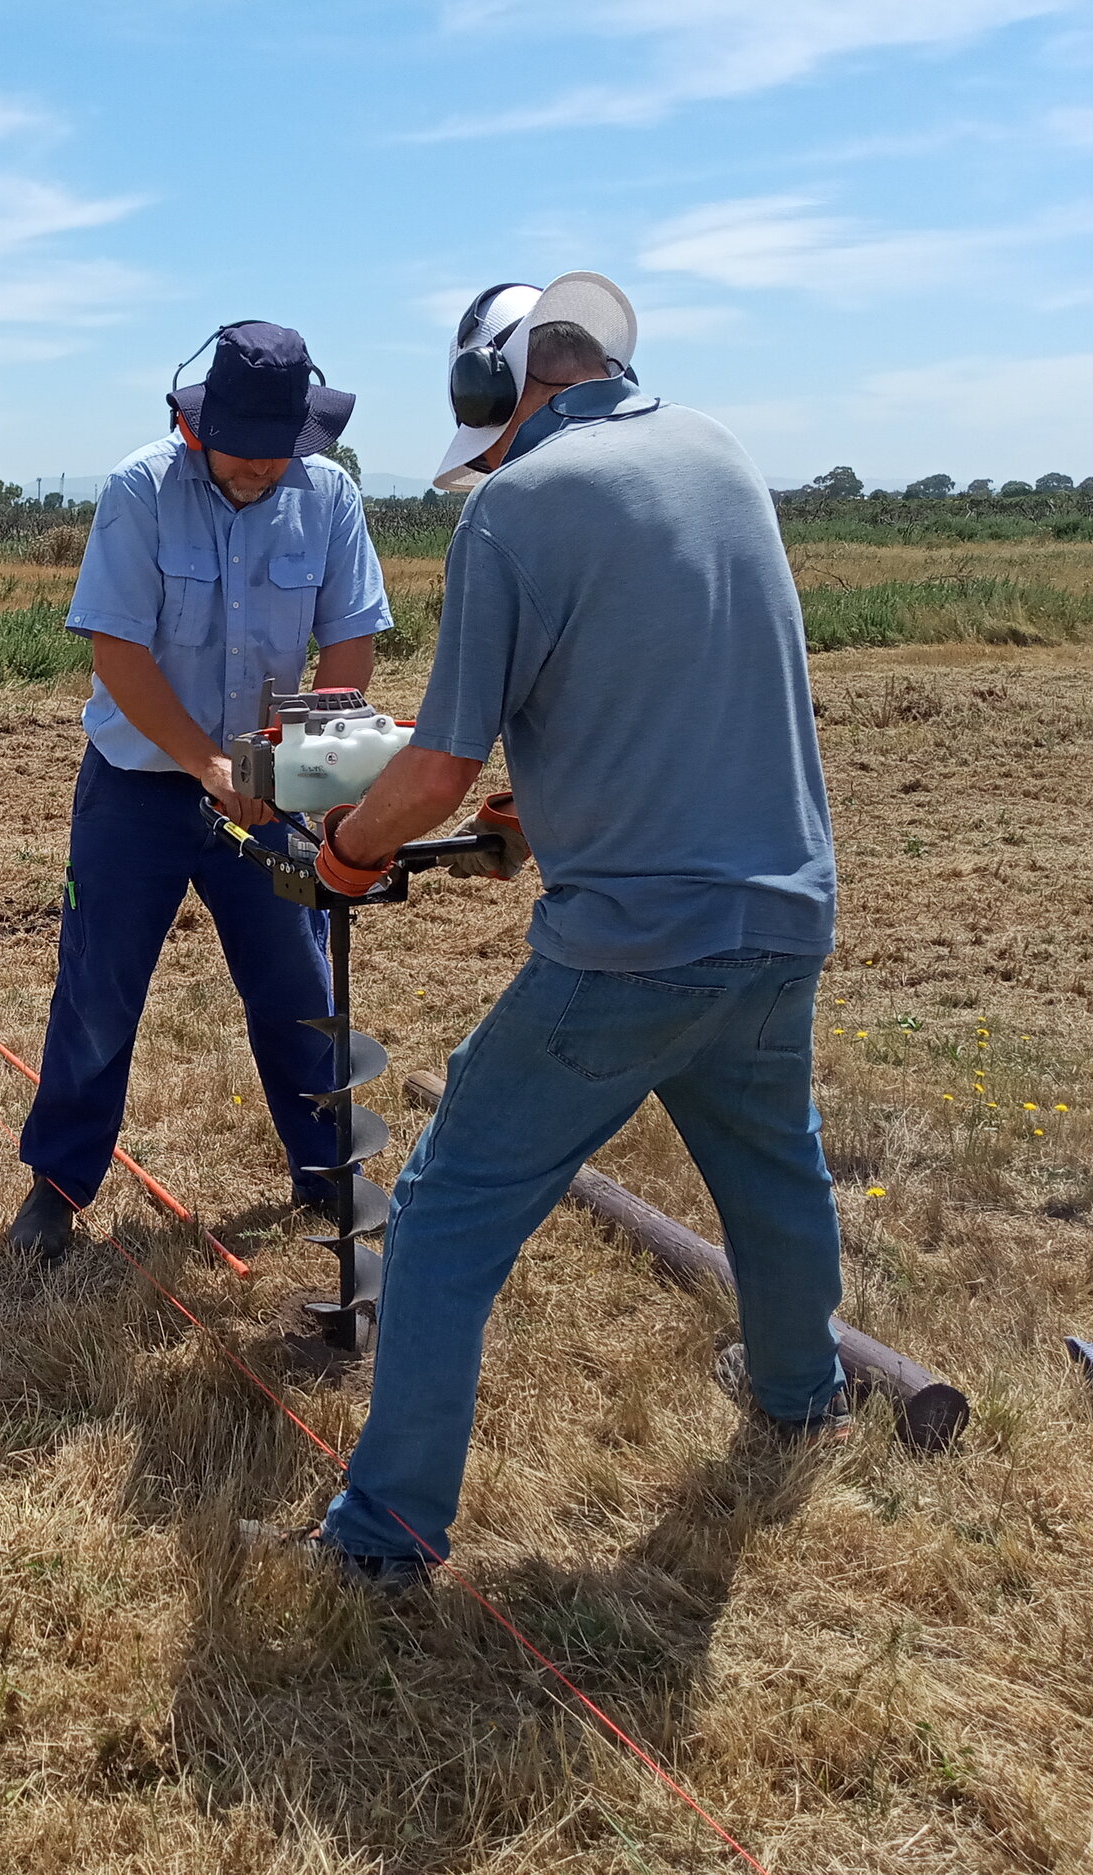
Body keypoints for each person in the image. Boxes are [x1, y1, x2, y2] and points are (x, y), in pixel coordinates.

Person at [303, 272, 846, 1585]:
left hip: (630, 948)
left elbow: (430, 769)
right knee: (775, 1166)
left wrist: (344, 853)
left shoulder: (517, 506)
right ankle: (803, 1386)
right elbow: (651, 693)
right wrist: (527, 820)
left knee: (442, 1216)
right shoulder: (717, 455)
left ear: (500, 392)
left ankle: (384, 1534)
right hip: (781, 912)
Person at [6, 321, 394, 1258]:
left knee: (298, 984)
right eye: (245, 453)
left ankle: (325, 1171)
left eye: (280, 454)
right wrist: (208, 767)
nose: (263, 470)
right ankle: (57, 1187)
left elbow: (349, 637)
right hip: (137, 789)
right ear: (197, 423)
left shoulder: (329, 497)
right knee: (99, 987)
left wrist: (311, 762)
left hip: (268, 786)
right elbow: (118, 650)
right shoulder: (140, 490)